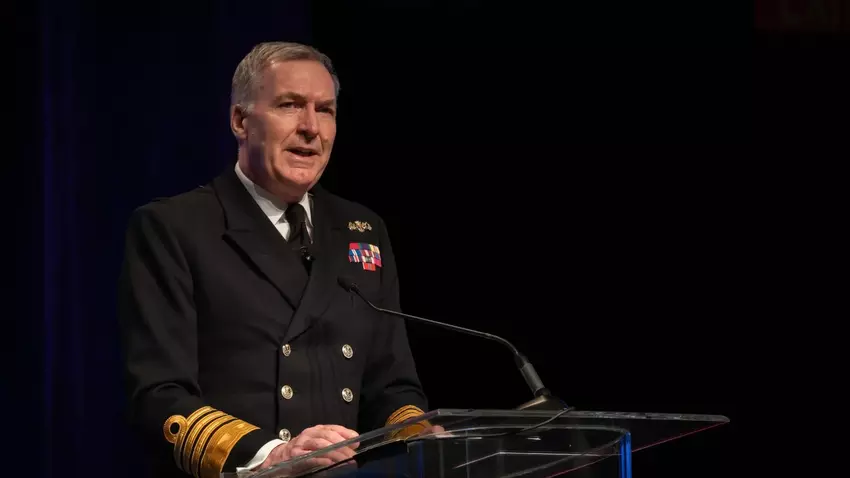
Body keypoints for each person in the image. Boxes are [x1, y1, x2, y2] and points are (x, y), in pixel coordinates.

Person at [117, 41, 431, 478]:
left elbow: (392, 384)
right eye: (290, 105)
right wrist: (272, 456)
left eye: (325, 110)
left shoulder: (362, 229)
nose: (311, 128)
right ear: (240, 121)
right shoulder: (174, 227)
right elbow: (159, 394)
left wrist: (422, 438)